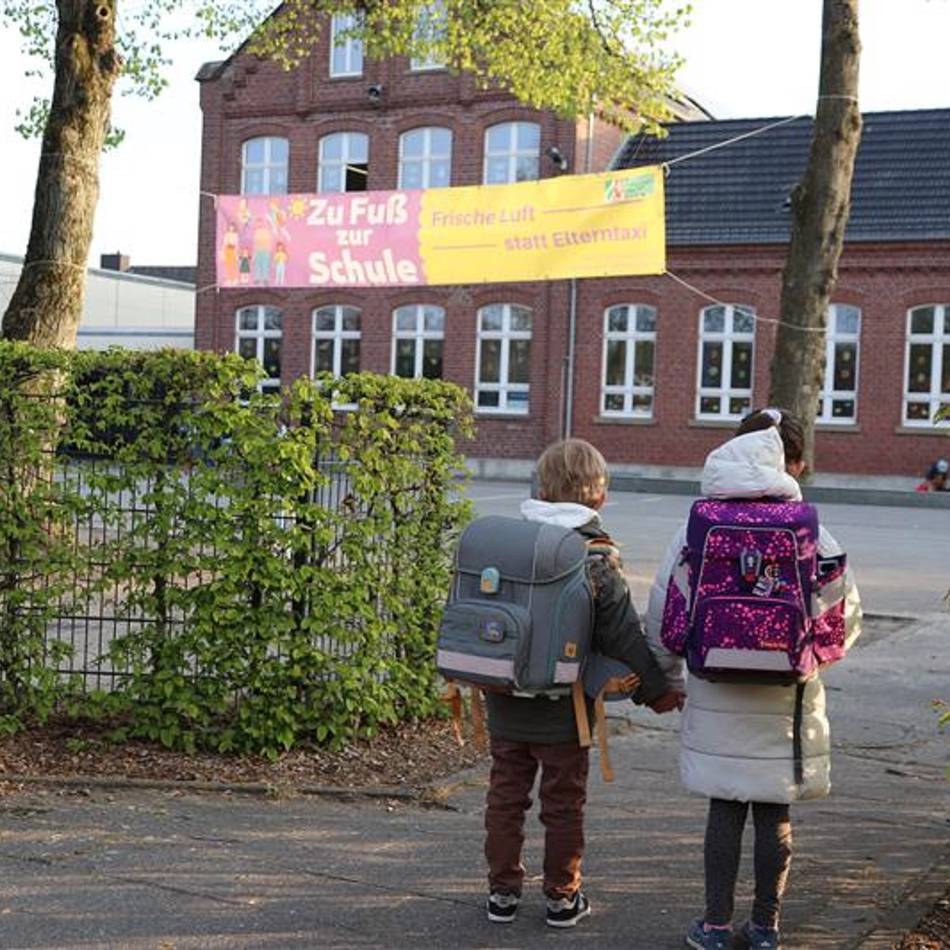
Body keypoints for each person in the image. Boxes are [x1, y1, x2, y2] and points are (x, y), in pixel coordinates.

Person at [644, 409, 862, 950]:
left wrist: (666, 679)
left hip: (716, 685)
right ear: (794, 462)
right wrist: (810, 661)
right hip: (787, 694)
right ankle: (765, 927)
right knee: (772, 808)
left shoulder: (698, 524)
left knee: (725, 803)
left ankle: (715, 926)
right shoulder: (813, 530)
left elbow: (663, 613)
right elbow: (846, 617)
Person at [484, 438, 683, 929]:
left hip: (506, 698)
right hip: (565, 708)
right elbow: (623, 637)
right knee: (563, 802)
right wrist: (656, 692)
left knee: (505, 797)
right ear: (598, 495)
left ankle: (502, 894)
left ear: (544, 486)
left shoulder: (511, 543)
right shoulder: (594, 556)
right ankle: (561, 897)